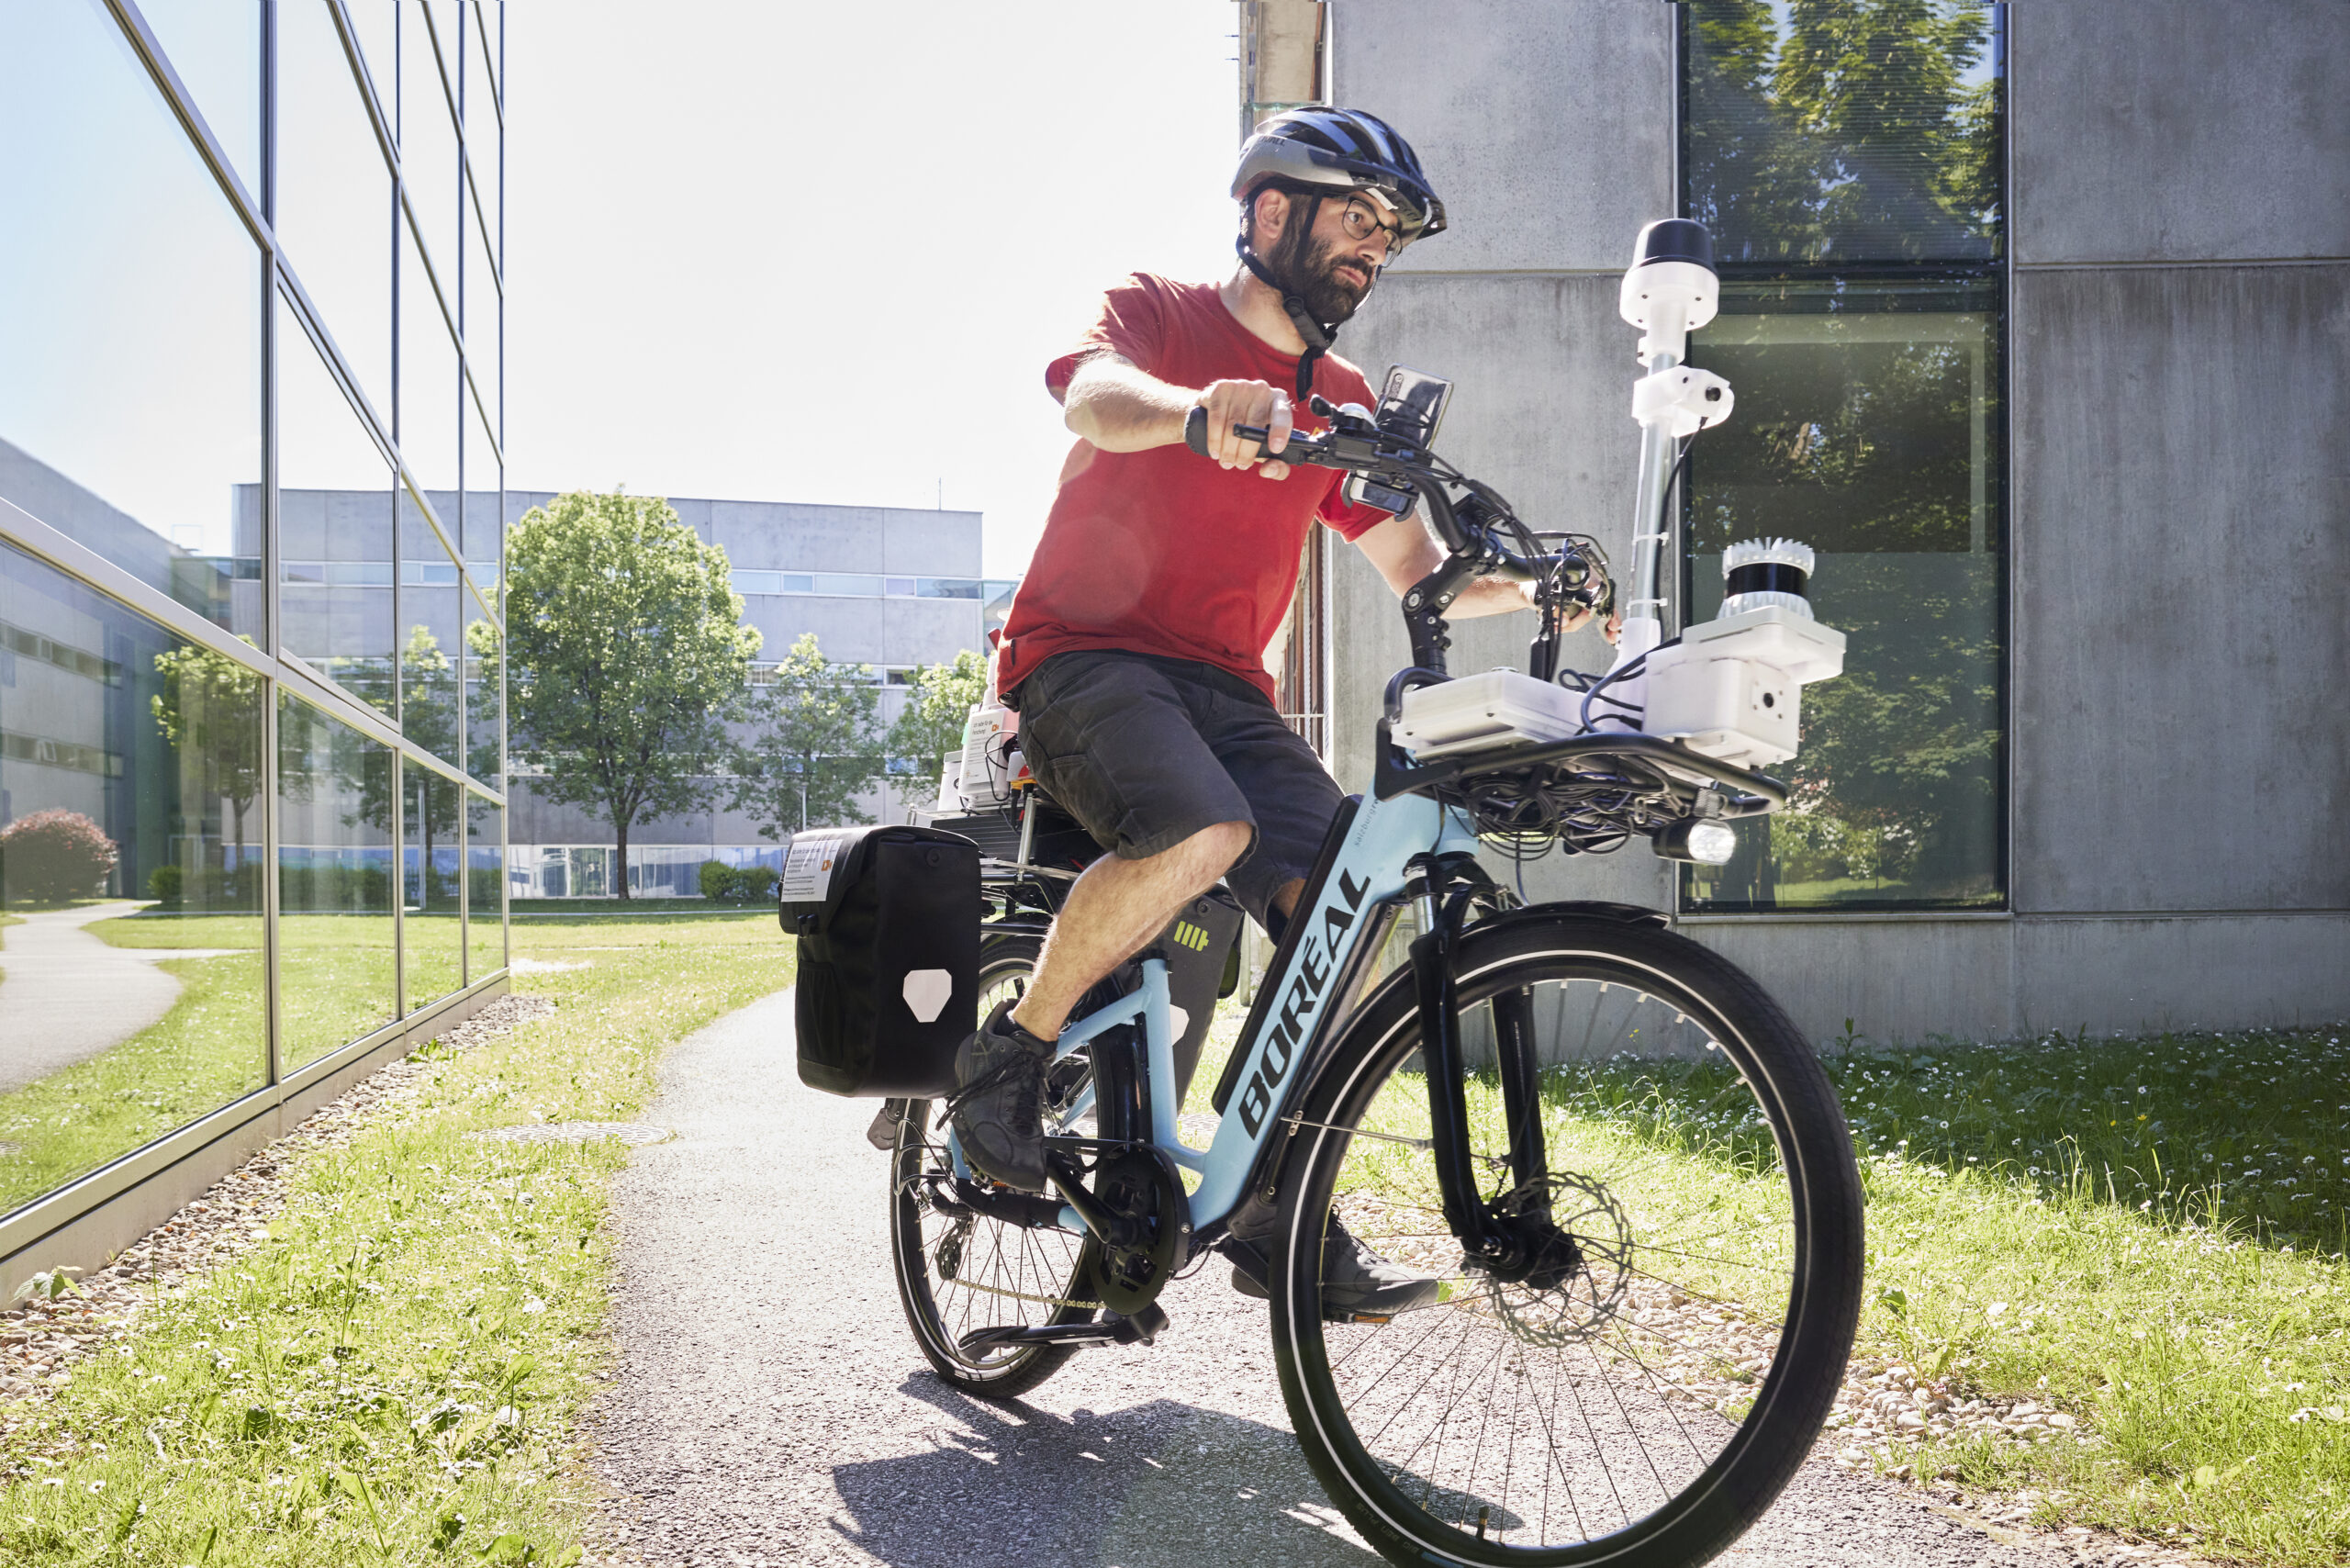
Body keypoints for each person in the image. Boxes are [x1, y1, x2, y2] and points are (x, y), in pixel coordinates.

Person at [951, 108, 1607, 1314]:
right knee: (1206, 834)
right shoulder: (1156, 311)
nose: (1376, 247)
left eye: (1390, 234)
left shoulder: (1343, 395)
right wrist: (1199, 410)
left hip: (1225, 696)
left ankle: (1268, 1196)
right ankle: (1015, 1051)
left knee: (1347, 905)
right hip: (1084, 660)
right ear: (1270, 211)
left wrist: (1537, 582)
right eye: (1359, 217)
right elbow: (1093, 396)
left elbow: (1413, 560)